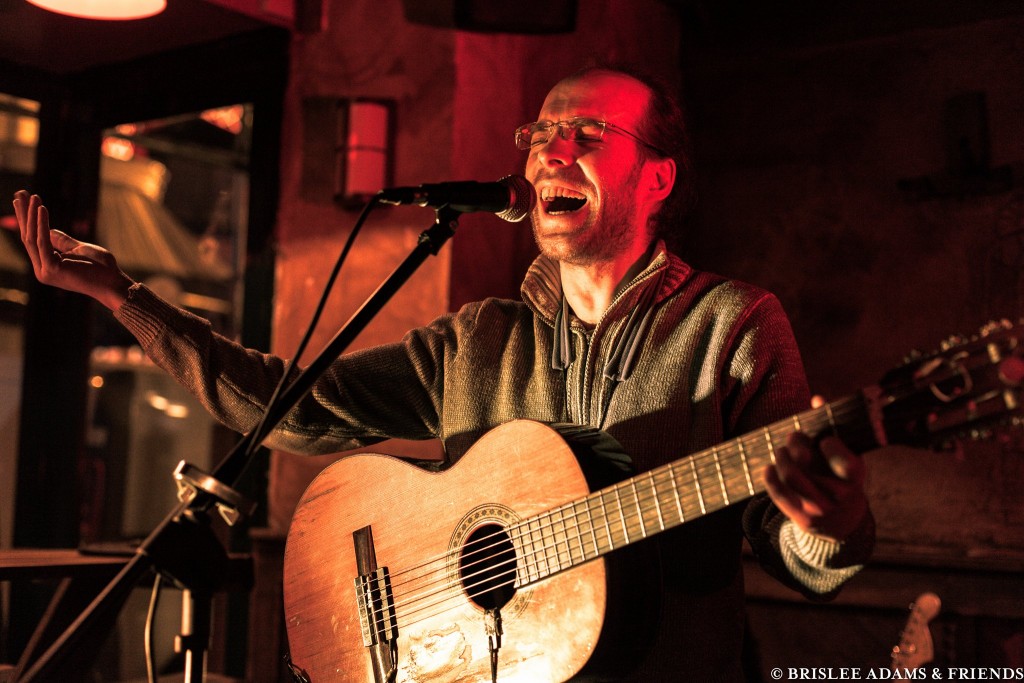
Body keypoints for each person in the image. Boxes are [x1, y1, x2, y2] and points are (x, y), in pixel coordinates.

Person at [13, 66, 873, 681]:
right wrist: (120, 294)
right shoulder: (478, 339)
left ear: (657, 177)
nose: (551, 152)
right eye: (541, 133)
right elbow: (287, 410)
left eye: (587, 135)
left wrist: (830, 522)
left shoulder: (733, 325)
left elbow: (790, 547)